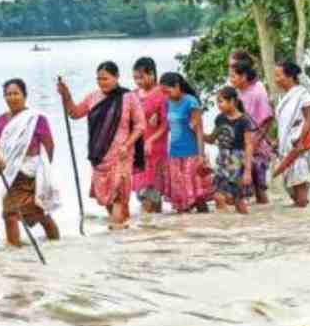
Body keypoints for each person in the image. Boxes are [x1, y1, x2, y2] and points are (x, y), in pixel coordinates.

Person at [57, 61, 145, 228]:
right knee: (107, 198)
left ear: (116, 77)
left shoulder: (129, 97)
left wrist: (127, 145)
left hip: (121, 154)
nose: (101, 82)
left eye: (105, 78)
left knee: (119, 195)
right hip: (99, 155)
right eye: (99, 79)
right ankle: (121, 230)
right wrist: (66, 95)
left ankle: (116, 232)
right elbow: (75, 114)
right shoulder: (93, 97)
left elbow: (141, 126)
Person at [0, 78, 61, 247]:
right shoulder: (2, 120)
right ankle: (15, 248)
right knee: (10, 213)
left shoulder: (36, 118)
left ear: (24, 95)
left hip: (31, 172)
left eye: (16, 93)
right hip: (10, 172)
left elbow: (49, 144)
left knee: (36, 212)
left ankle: (54, 245)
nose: (12, 97)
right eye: (8, 94)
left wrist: (43, 171)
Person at [160, 72, 212, 213]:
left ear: (177, 86)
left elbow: (199, 131)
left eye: (168, 91)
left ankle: (209, 227)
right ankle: (184, 232)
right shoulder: (167, 103)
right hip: (175, 154)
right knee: (180, 197)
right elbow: (168, 126)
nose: (166, 95)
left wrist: (201, 156)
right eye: (163, 92)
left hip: (192, 153)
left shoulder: (190, 102)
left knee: (197, 195)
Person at [228, 52, 275, 205]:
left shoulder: (257, 90)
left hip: (256, 148)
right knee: (235, 186)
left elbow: (267, 119)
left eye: (233, 71)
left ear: (244, 74)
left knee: (259, 188)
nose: (230, 77)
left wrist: (254, 144)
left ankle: (264, 219)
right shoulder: (236, 91)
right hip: (239, 146)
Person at [273, 60, 310, 208]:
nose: (276, 79)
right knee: (294, 196)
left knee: (301, 199)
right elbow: (284, 124)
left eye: (279, 75)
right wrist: (277, 141)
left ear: (290, 76)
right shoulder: (283, 97)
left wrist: (299, 139)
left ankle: (305, 224)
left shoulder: (304, 95)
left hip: (299, 149)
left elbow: (309, 120)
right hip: (285, 149)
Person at [204, 87, 255, 214]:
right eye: (217, 102)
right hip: (222, 159)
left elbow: (249, 145)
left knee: (237, 198)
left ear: (232, 101)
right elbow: (211, 139)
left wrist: (247, 171)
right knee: (219, 196)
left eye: (221, 101)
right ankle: (230, 226)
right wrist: (196, 131)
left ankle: (237, 226)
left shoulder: (244, 120)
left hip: (237, 160)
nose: (218, 105)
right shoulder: (220, 119)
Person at [131, 57, 169, 213]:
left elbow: (166, 125)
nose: (138, 81)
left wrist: (151, 140)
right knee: (144, 194)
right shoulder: (133, 95)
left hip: (156, 150)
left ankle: (145, 229)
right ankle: (156, 232)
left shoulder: (162, 94)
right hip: (138, 149)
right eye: (135, 78)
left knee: (150, 192)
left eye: (141, 77)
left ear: (152, 74)